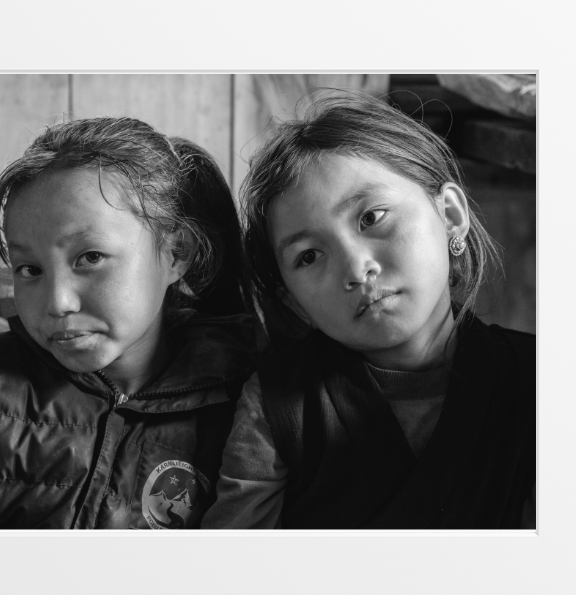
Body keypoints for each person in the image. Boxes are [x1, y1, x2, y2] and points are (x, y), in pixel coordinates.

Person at [203, 92, 534, 530]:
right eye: (308, 256)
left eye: (372, 217)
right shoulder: (276, 403)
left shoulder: (534, 380)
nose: (357, 269)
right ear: (290, 296)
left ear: (451, 214)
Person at [0, 116, 261, 529]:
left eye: (90, 258)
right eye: (29, 269)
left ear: (176, 253)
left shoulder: (249, 396)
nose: (57, 302)